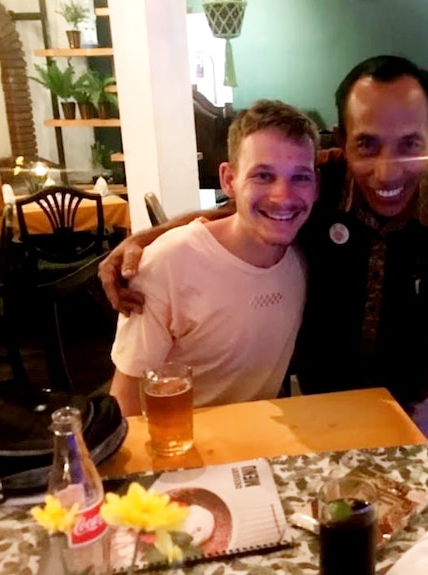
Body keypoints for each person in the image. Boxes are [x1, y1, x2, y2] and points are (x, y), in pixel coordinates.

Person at [99, 55, 428, 440]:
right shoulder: (317, 182)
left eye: (409, 145)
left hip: (420, 408)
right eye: (366, 146)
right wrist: (147, 240)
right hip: (312, 408)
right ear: (341, 139)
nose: (386, 171)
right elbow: (239, 208)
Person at [109, 99, 318, 415]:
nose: (283, 196)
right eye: (263, 175)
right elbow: (125, 406)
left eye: (300, 177)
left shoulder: (302, 255)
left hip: (262, 445)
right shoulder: (164, 265)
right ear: (228, 180)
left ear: (316, 184)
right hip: (176, 449)